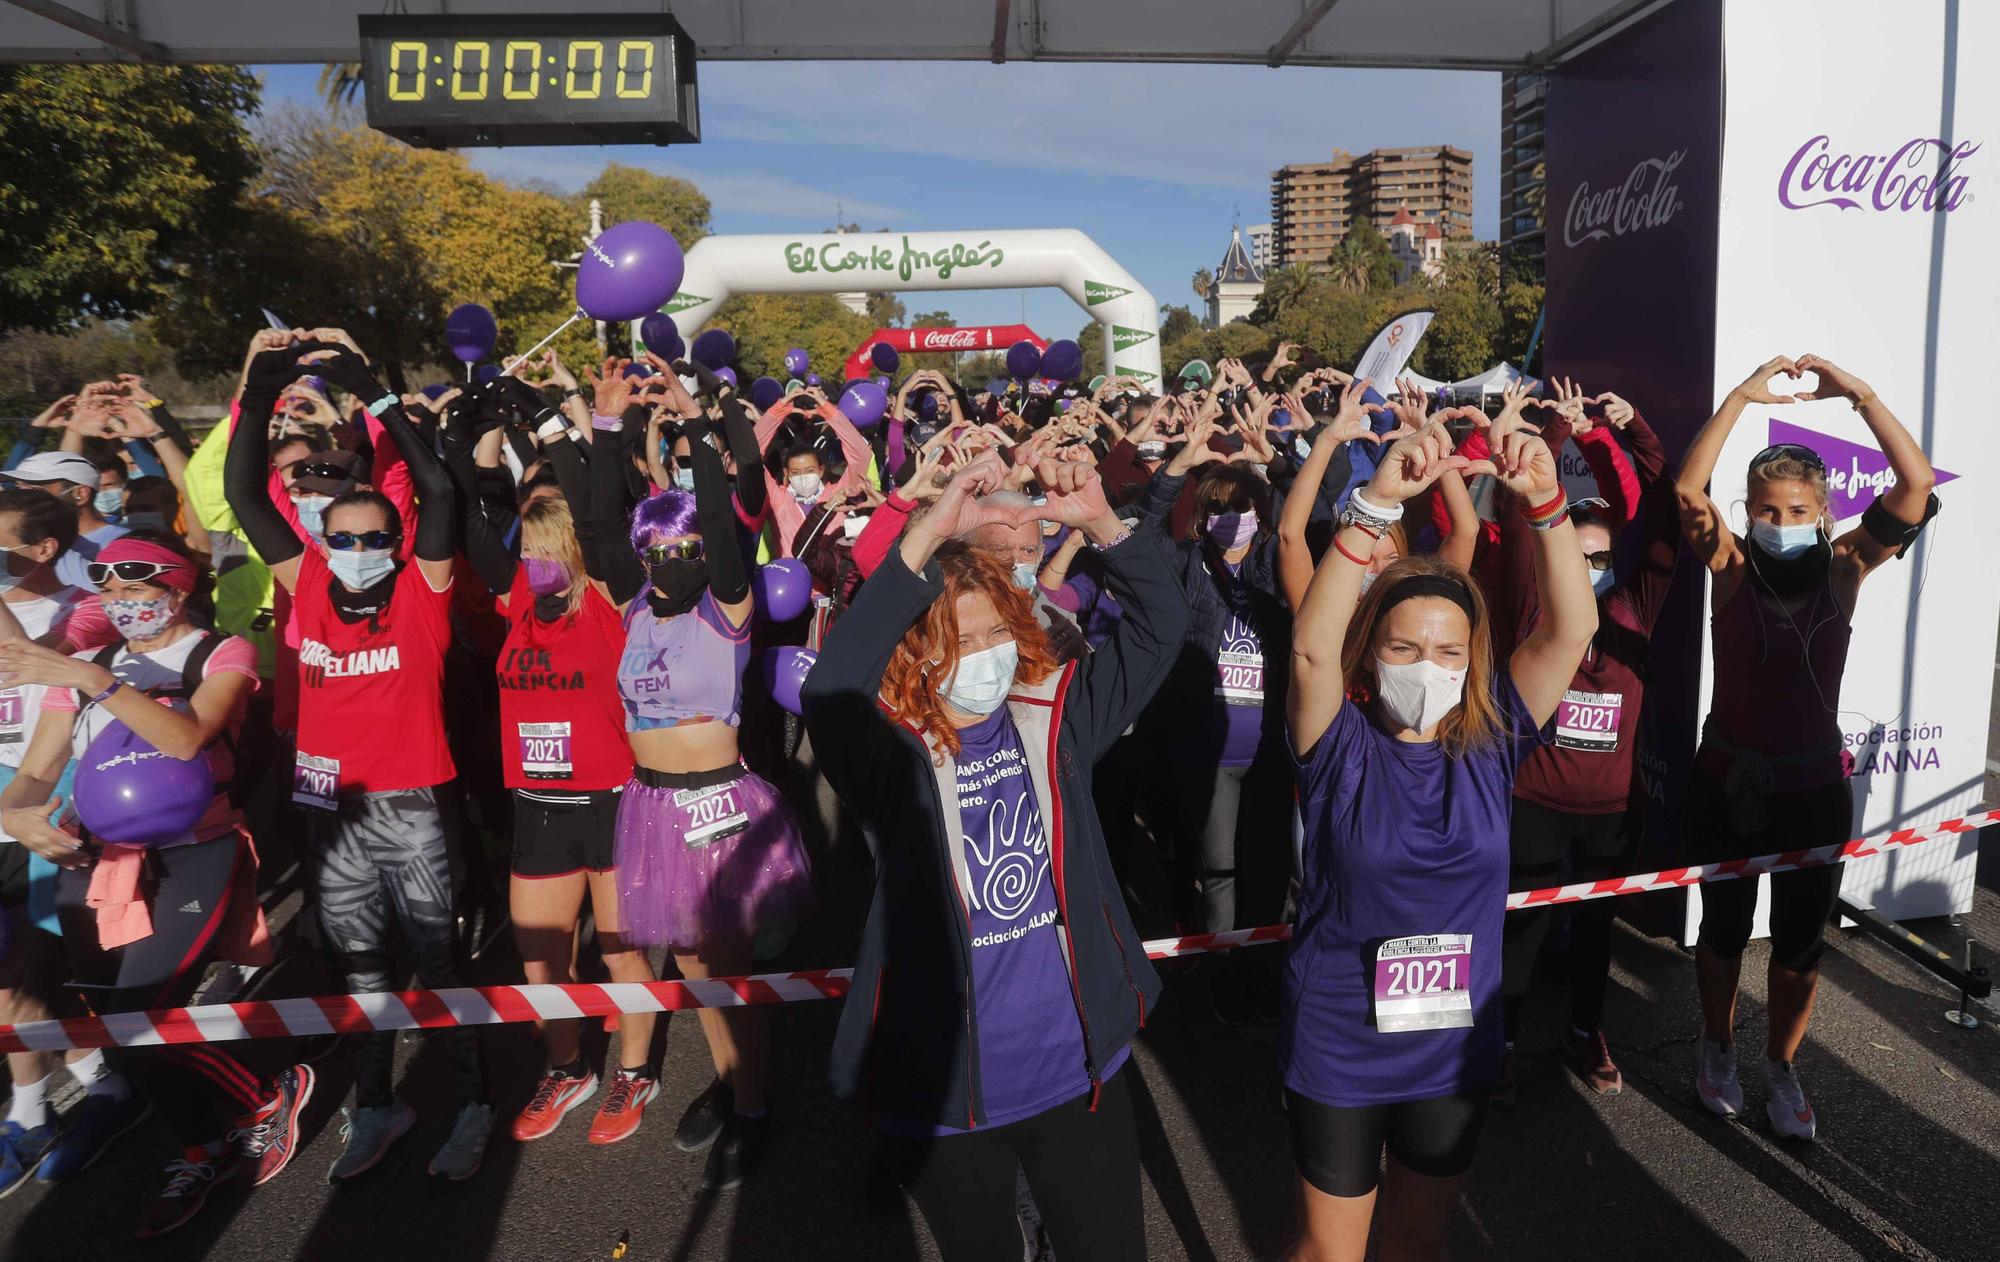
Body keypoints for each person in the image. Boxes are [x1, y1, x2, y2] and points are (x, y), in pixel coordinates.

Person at [802, 450, 1186, 1262]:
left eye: (994, 634)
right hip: (947, 1092)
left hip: (1079, 1071)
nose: (984, 656)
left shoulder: (1056, 719)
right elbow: (831, 691)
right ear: (911, 655)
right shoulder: (890, 758)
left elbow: (1162, 630)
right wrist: (925, 536)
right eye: (957, 640)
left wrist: (1104, 525)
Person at [1283, 415, 1596, 1261]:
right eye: (1405, 647)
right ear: (1370, 653)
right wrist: (1378, 504)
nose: (1428, 667)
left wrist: (1547, 505)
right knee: (1330, 1253)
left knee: (1418, 1243)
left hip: (1451, 1048)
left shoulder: (1491, 744)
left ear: (1473, 660)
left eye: (1449, 652)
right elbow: (1311, 653)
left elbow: (1570, 633)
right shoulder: (1336, 744)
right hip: (1342, 1039)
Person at [223, 335, 494, 1182]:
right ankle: (379, 1104)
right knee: (362, 965)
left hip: (413, 804)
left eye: (377, 536)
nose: (359, 550)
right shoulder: (305, 580)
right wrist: (262, 386)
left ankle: (475, 1103)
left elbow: (443, 487)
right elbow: (241, 492)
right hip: (329, 808)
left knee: (438, 960)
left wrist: (374, 393)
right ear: (322, 540)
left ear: (396, 541)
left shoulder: (423, 592)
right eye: (343, 538)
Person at [0, 534, 313, 1237]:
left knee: (146, 1011)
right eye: (108, 590)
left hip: (198, 849)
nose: (120, 602)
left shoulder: (218, 652)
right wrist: (15, 817)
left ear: (177, 587)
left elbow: (186, 739)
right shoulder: (82, 665)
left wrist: (97, 683)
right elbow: (37, 772)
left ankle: (268, 1096)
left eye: (137, 589)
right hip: (99, 859)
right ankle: (199, 1147)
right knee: (116, 1024)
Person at [1673, 355, 1937, 1141]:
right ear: (1746, 510)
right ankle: (1716, 1047)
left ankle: (1782, 1069)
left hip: (1812, 789)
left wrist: (1858, 393)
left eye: (1793, 509)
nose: (1777, 521)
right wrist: (1738, 400)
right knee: (1723, 930)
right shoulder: (1729, 567)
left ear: (1823, 514)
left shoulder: (1848, 567)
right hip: (1726, 782)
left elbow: (1916, 486)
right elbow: (1689, 494)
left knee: (1798, 946)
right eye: (1763, 507)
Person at [575, 377, 814, 1190]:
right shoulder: (635, 603)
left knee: (725, 969)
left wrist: (707, 429)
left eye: (683, 552)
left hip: (718, 805)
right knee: (686, 962)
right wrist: (610, 426)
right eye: (656, 553)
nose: (669, 563)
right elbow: (596, 520)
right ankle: (732, 1082)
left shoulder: (727, 604)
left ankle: (752, 1106)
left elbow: (718, 519)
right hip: (650, 805)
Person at [442, 380, 662, 1146]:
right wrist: (472, 436)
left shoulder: (607, 600)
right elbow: (468, 517)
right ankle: (569, 1068)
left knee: (622, 957)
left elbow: (598, 511)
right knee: (541, 968)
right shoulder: (513, 608)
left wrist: (553, 421)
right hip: (536, 805)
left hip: (612, 802)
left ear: (572, 550)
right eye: (523, 553)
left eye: (543, 553)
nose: (530, 565)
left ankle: (633, 1071)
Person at [1495, 390, 1674, 1101]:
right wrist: (1556, 429)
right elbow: (1520, 512)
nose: (1590, 566)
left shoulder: (1635, 609)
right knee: (1522, 930)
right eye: (1578, 555)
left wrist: (1635, 430)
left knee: (1596, 931)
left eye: (1600, 556)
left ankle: (1583, 1031)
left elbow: (1665, 516)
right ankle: (1500, 1043)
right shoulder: (1534, 608)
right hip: (1532, 800)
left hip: (1610, 810)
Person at [8, 452, 128, 591]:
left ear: (80, 494)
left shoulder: (124, 543)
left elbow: (116, 596)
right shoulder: (18, 543)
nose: (22, 499)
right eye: (20, 489)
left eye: (34, 491)